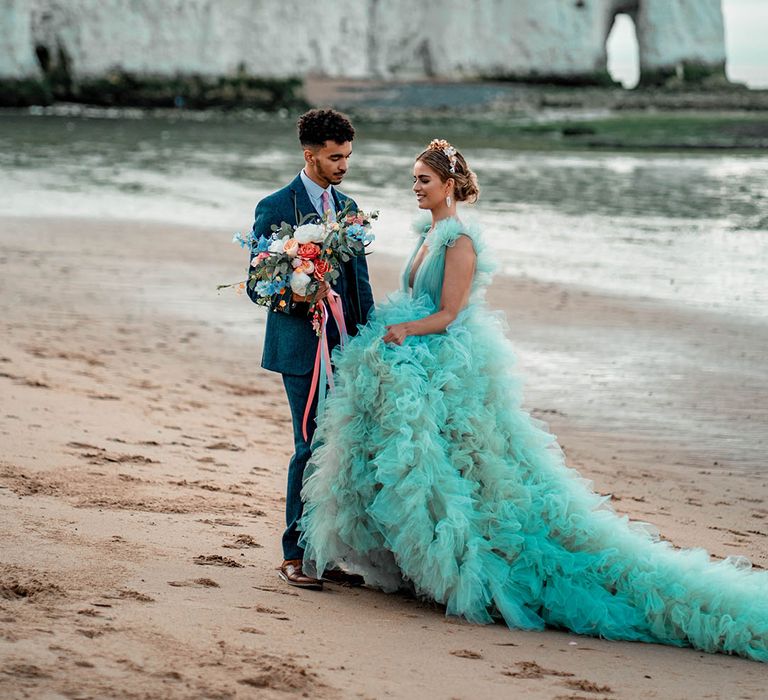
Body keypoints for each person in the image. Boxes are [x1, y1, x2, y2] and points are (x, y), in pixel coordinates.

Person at [298, 139, 768, 661]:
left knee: (468, 469)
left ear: (449, 185)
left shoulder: (460, 241)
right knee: (419, 465)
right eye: (413, 180)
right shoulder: (429, 232)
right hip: (416, 358)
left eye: (423, 181)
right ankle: (412, 559)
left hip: (444, 359)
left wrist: (406, 329)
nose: (415, 188)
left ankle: (474, 565)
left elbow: (450, 313)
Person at [247, 109, 374, 589]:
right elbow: (257, 285)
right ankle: (294, 555)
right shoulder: (276, 205)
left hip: (345, 348)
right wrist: (298, 294)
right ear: (310, 154)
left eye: (347, 156)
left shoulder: (349, 207)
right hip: (300, 348)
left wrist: (366, 344)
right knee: (309, 444)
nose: (343, 165)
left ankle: (325, 552)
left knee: (337, 448)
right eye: (334, 157)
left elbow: (359, 287)